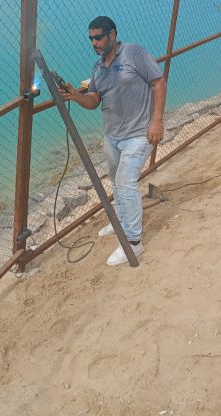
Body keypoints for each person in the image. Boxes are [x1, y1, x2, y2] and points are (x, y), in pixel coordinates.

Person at [61, 16, 166, 266]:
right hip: (112, 136)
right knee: (116, 182)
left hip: (139, 134)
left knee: (126, 183)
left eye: (98, 37)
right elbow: (93, 101)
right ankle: (120, 220)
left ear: (112, 34)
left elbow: (158, 82)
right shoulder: (98, 68)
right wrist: (75, 95)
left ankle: (133, 242)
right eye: (90, 39)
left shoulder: (134, 53)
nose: (94, 43)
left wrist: (157, 120)